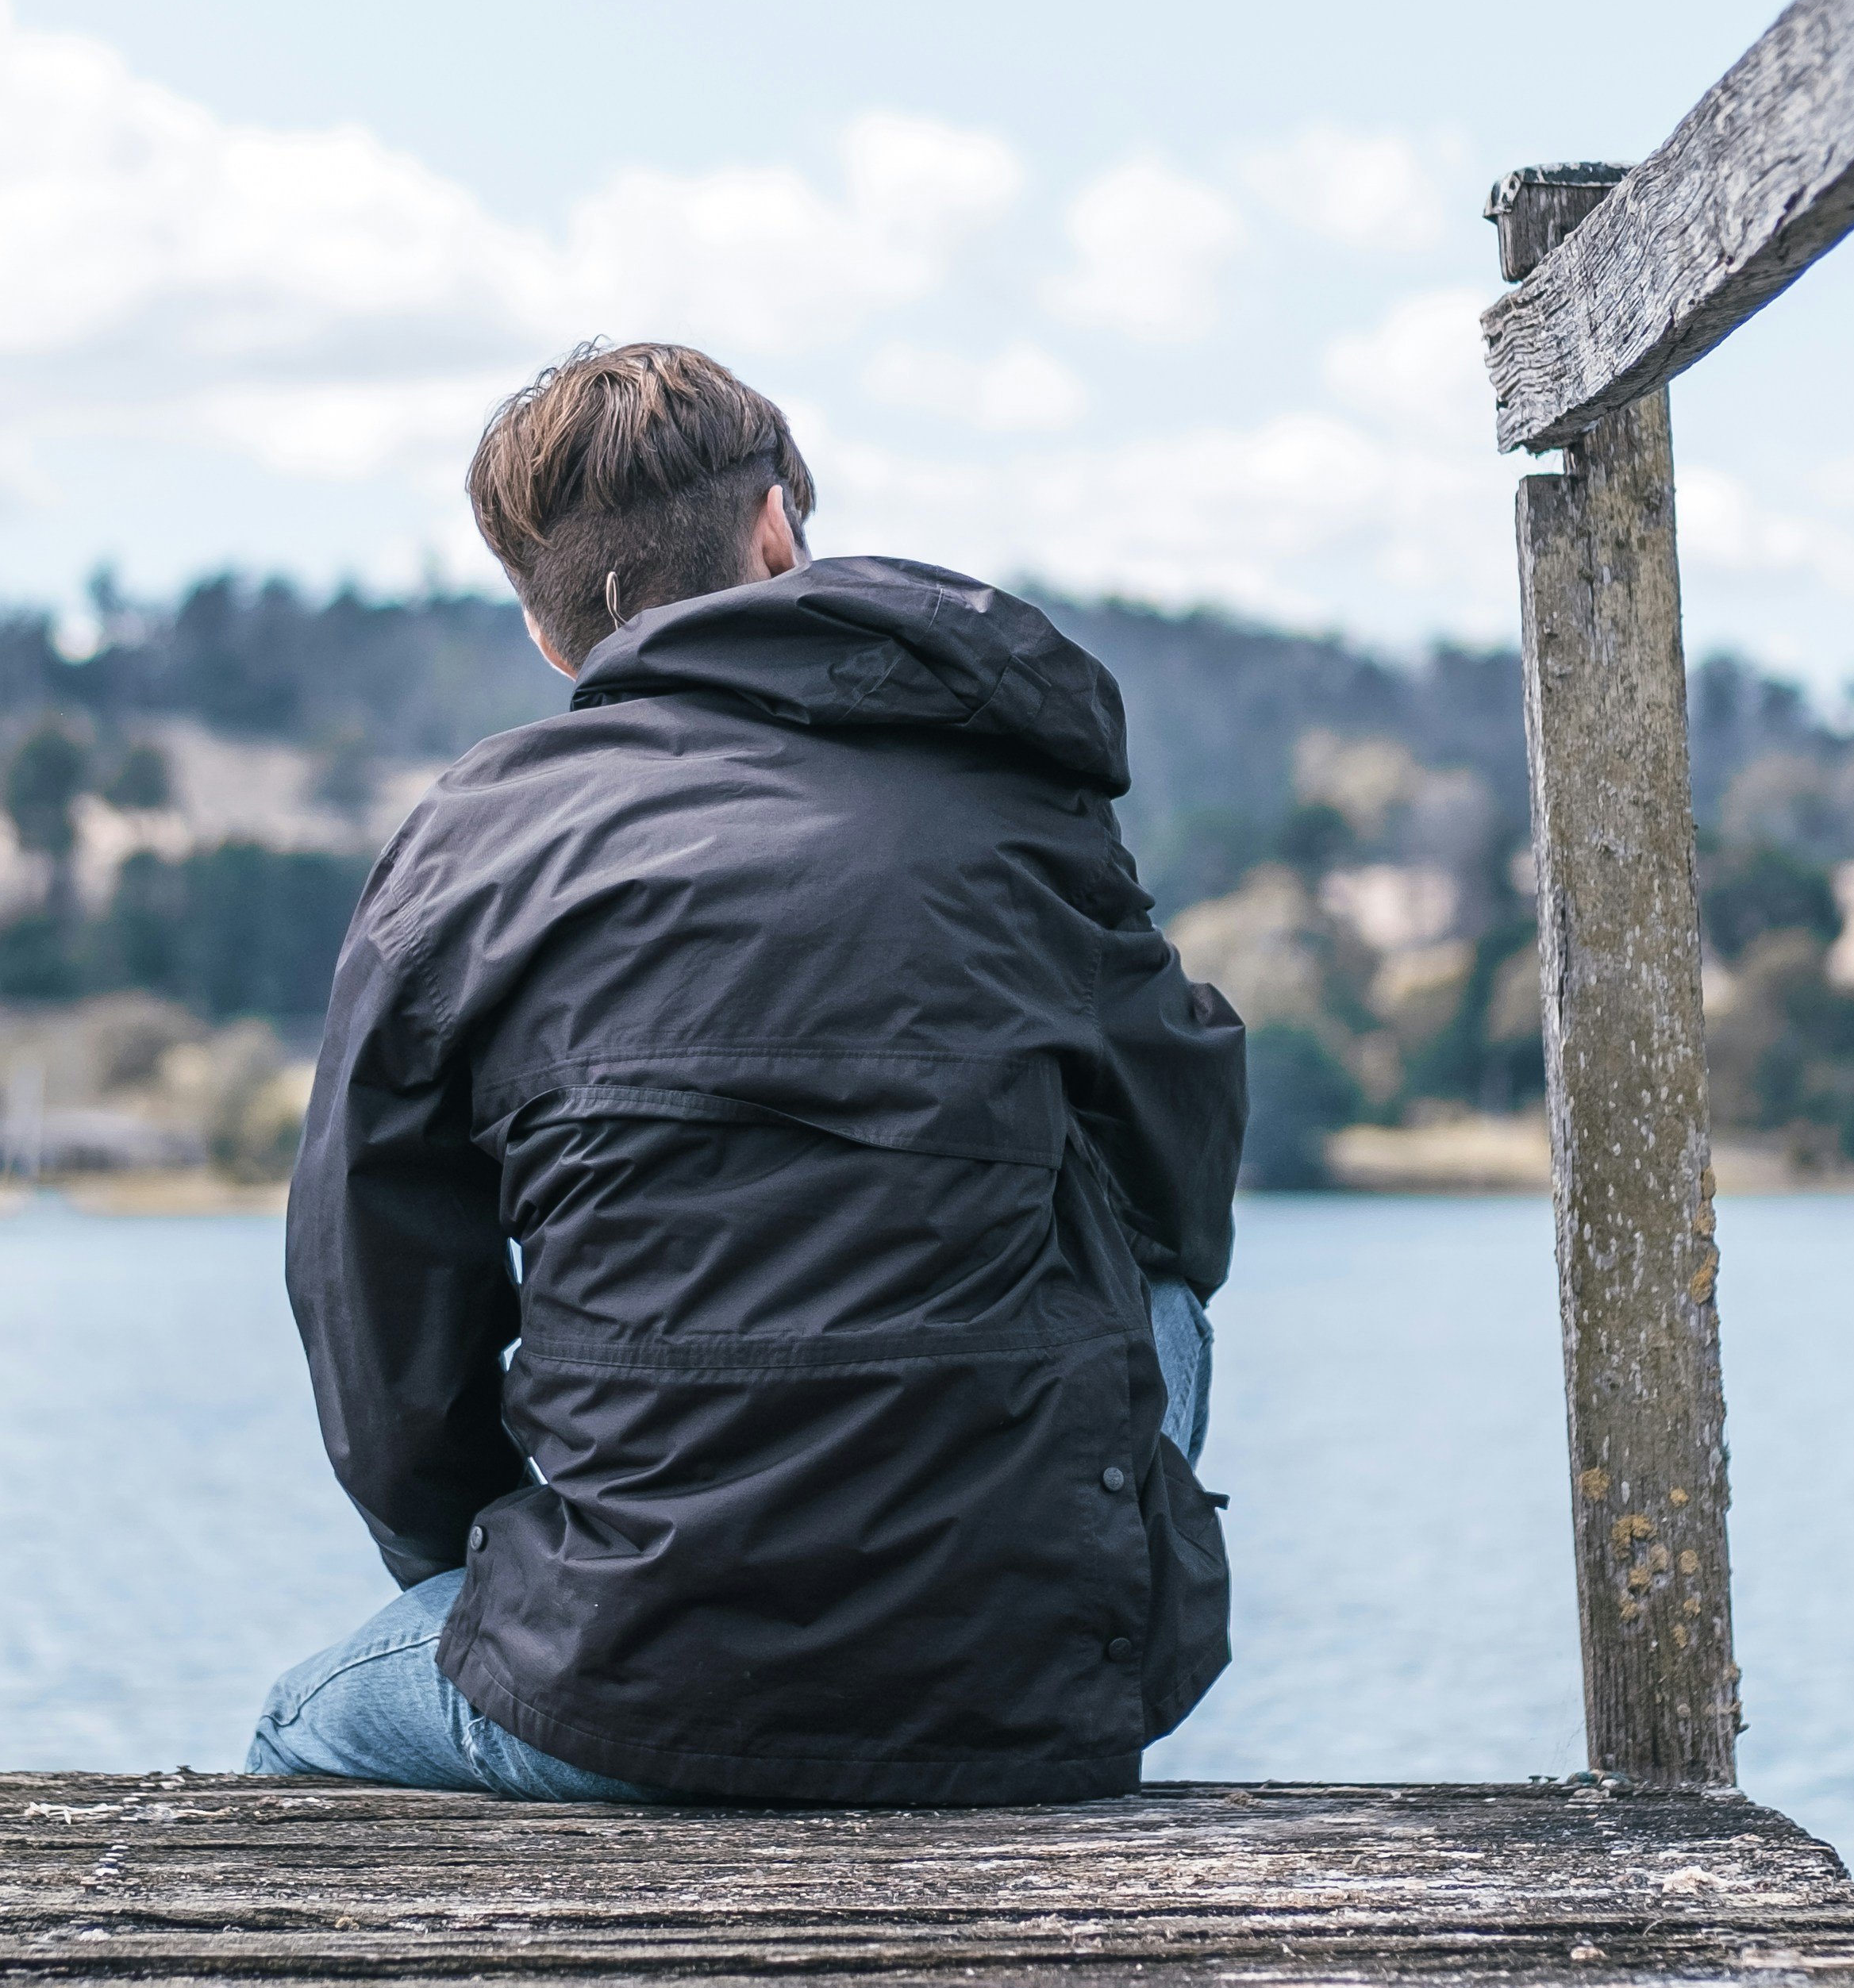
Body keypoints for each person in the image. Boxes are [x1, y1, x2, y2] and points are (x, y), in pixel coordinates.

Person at [247, 341, 1245, 1805]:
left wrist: (509, 1579)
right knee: (1143, 1263)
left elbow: (373, 1307)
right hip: (1029, 1682)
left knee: (294, 1734)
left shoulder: (462, 855)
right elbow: (1181, 1191)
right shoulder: (1009, 798)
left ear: (549, 637)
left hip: (610, 1673)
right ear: (777, 530)